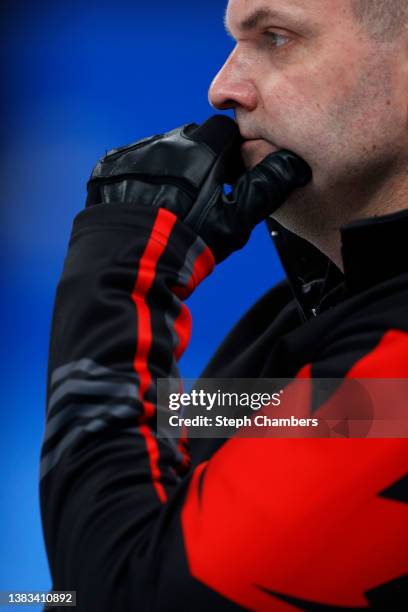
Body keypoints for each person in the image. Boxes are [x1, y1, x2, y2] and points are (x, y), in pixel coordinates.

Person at [40, 0, 408, 609]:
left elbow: (111, 593)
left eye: (275, 37)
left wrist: (121, 268)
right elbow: (188, 427)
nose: (222, 88)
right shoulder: (314, 315)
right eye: (236, 41)